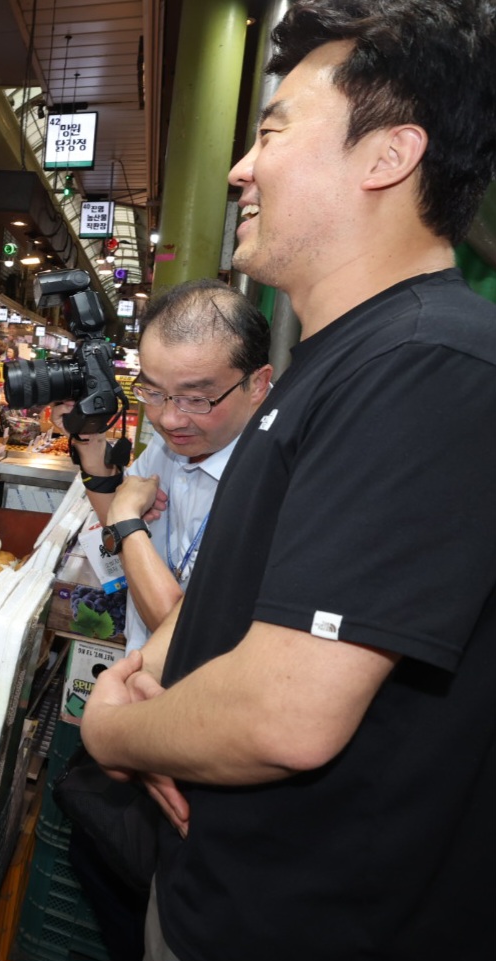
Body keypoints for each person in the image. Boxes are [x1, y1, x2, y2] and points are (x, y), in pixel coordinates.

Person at [81, 4, 496, 961]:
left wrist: (117, 729)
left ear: (387, 155)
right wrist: (160, 669)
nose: (240, 167)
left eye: (271, 130)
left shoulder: (429, 364)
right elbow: (248, 583)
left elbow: (289, 713)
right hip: (216, 893)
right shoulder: (337, 359)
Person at [75, 280, 272, 652]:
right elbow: (118, 531)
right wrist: (92, 448)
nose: (168, 420)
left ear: (258, 384)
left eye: (196, 398)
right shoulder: (175, 444)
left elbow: (184, 636)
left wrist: (126, 516)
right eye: (152, 392)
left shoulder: (280, 477)